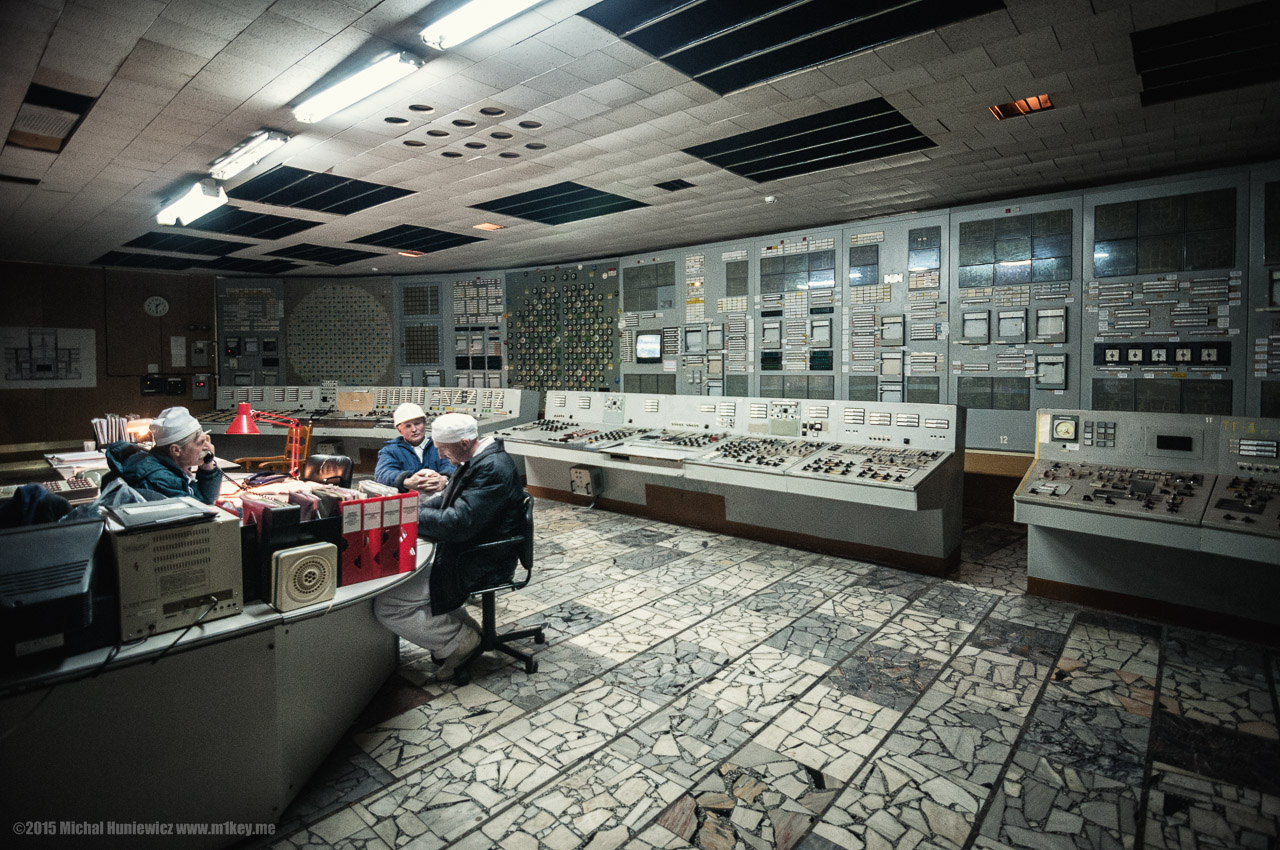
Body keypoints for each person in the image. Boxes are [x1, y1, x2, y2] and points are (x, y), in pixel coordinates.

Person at [374, 412, 525, 678]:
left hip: (482, 559)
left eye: (443, 449)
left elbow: (457, 522)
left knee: (388, 605)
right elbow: (446, 500)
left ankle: (457, 641)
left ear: (464, 443)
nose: (441, 456)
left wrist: (409, 517)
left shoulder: (491, 468)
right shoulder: (475, 459)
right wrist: (407, 508)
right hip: (469, 549)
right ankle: (467, 633)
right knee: (411, 583)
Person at [103, 407, 222, 504]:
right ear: (176, 450)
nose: (208, 447)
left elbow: (205, 499)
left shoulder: (166, 464)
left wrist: (207, 465)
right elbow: (204, 506)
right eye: (201, 442)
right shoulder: (162, 480)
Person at [374, 402, 455, 494]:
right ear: (399, 429)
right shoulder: (390, 451)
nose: (414, 429)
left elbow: (453, 465)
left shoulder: (440, 445)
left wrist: (444, 478)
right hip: (407, 501)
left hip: (441, 500)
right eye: (408, 426)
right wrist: (407, 481)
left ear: (425, 423)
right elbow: (382, 474)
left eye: (417, 423)